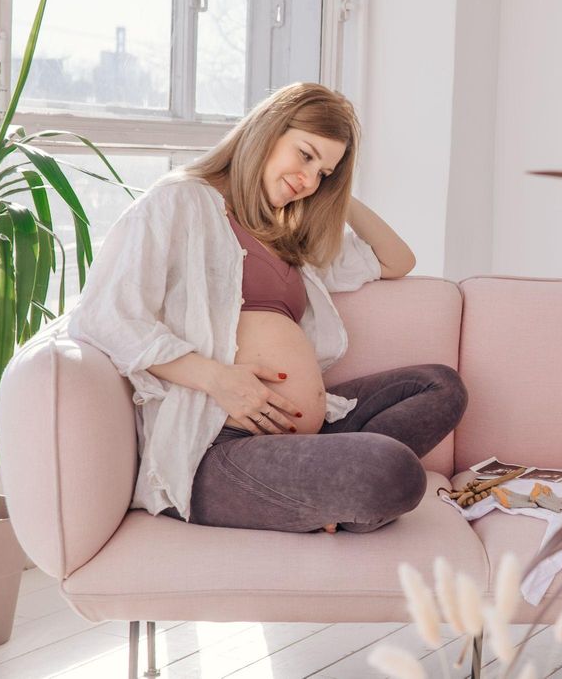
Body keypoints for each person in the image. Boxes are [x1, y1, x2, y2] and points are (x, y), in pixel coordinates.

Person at [67, 82, 468, 534]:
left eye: (324, 173)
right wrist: (218, 379)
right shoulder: (179, 201)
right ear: (268, 130)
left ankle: (325, 492)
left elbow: (398, 260)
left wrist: (337, 193)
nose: (309, 179)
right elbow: (104, 315)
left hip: (297, 436)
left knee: (439, 386)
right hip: (218, 445)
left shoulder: (287, 236)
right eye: (306, 155)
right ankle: (336, 493)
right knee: (393, 472)